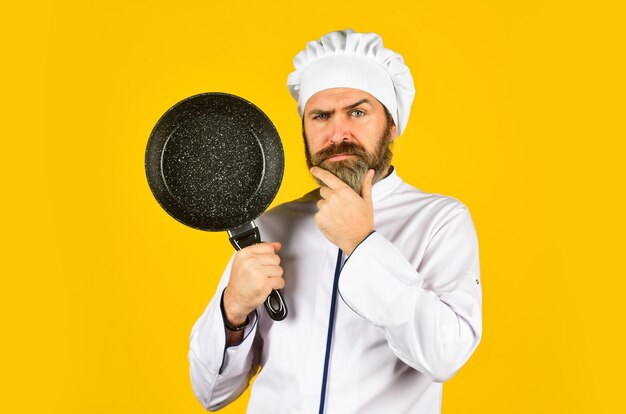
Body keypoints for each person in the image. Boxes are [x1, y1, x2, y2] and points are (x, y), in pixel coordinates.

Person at [189, 29, 482, 414]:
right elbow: (210, 394)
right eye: (321, 116)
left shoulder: (440, 221)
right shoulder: (272, 225)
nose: (337, 133)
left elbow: (444, 356)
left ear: (391, 126)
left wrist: (362, 243)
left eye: (358, 112)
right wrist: (233, 311)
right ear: (305, 130)